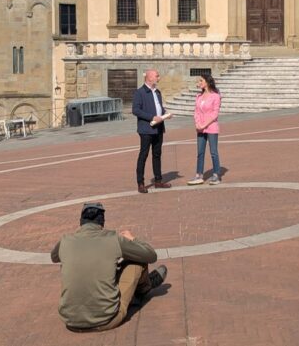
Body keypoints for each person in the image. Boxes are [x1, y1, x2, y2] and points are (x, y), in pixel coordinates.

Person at [50, 202, 167, 332]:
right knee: (138, 261)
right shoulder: (113, 238)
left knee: (70, 263)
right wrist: (133, 238)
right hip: (107, 319)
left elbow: (54, 257)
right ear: (102, 221)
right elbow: (151, 255)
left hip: (70, 320)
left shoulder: (65, 240)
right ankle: (144, 288)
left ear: (81, 221)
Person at [132, 69, 171, 193]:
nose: (158, 78)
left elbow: (159, 107)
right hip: (146, 129)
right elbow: (135, 110)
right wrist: (152, 117)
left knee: (157, 154)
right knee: (143, 155)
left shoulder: (157, 92)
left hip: (158, 128)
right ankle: (140, 183)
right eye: (157, 76)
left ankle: (158, 180)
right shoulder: (140, 92)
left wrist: (165, 114)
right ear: (149, 77)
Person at [187, 74, 222, 185]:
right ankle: (199, 175)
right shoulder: (199, 96)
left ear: (207, 82)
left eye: (201, 80)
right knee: (200, 152)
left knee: (213, 152)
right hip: (200, 128)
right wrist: (197, 123)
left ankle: (216, 175)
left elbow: (215, 114)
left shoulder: (216, 96)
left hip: (211, 127)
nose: (199, 83)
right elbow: (196, 112)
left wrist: (204, 124)